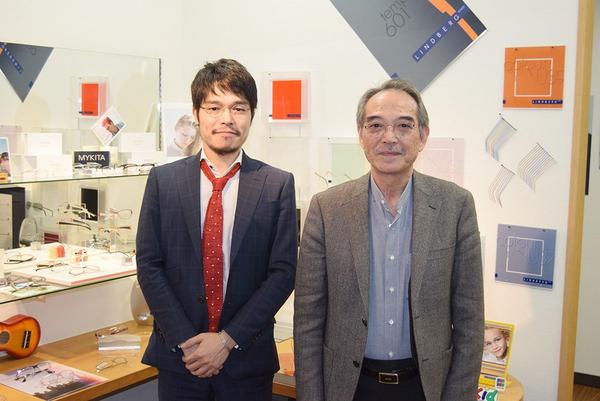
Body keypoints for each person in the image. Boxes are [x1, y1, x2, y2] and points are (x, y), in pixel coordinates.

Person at [294, 79, 484, 401]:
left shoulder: (455, 206)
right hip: (348, 387)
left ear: (423, 136)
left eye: (404, 126)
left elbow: (470, 319)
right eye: (376, 125)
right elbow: (308, 320)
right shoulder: (327, 209)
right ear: (361, 134)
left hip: (425, 387)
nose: (389, 137)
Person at [136, 58, 297, 401]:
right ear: (196, 113)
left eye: (239, 108)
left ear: (252, 114)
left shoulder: (276, 184)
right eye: (214, 107)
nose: (227, 118)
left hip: (246, 361)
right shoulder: (164, 181)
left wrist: (225, 340)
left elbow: (283, 273)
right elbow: (149, 264)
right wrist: (188, 342)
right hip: (181, 360)